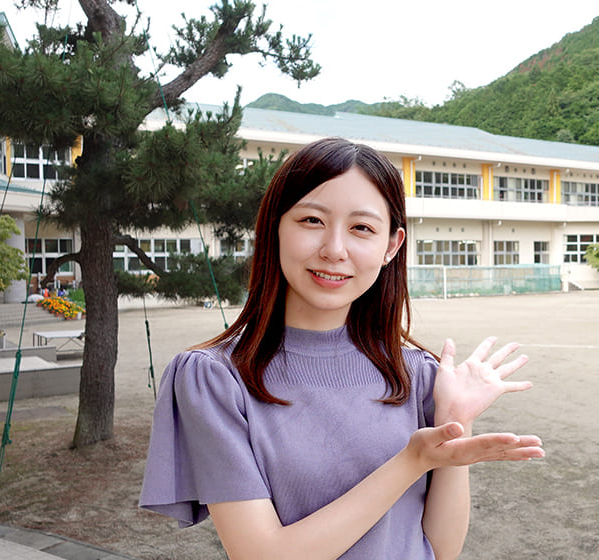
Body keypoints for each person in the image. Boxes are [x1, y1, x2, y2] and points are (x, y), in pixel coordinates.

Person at [139, 137, 543, 559]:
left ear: (391, 246)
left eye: (361, 228)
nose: (334, 250)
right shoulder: (214, 378)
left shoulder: (417, 374)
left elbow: (440, 549)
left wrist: (455, 419)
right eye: (312, 220)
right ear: (274, 228)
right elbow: (263, 555)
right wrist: (412, 460)